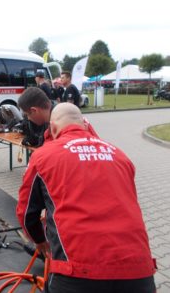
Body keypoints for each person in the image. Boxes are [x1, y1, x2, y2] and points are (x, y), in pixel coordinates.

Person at [16, 103, 156, 293]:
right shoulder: (120, 155)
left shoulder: (42, 157)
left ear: (53, 128)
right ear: (84, 124)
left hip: (76, 272)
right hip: (138, 271)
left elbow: (26, 214)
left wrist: (39, 241)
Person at [17, 87, 97, 143]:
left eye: (27, 115)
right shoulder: (63, 113)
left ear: (34, 110)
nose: (28, 119)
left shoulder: (61, 122)